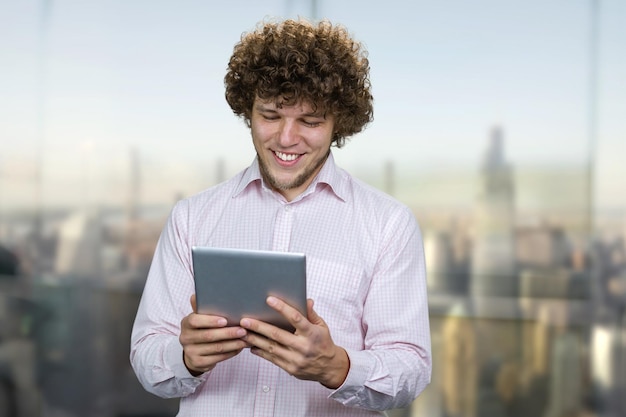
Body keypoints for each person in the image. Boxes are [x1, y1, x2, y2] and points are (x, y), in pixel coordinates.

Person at [130, 18, 431, 416]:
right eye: (270, 115)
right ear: (247, 112)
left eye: (309, 121)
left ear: (338, 122)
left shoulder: (388, 224)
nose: (287, 138)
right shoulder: (192, 217)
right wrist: (184, 357)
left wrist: (338, 367)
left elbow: (411, 366)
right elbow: (147, 357)